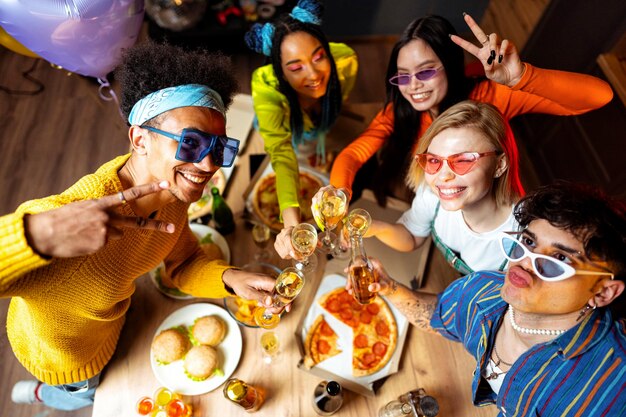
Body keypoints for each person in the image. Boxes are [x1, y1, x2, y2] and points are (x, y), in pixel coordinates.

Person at [2, 41, 282, 411]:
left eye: (220, 148)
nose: (210, 164)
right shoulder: (67, 217)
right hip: (67, 359)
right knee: (82, 397)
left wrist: (232, 278)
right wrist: (40, 235)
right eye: (192, 142)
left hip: (114, 319)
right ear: (140, 139)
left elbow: (183, 263)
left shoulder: (171, 200)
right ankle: (39, 394)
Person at [354, 181, 626, 415]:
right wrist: (389, 288)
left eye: (559, 259)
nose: (525, 263)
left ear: (603, 292)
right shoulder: (482, 290)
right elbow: (439, 314)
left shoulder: (615, 384)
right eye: (529, 242)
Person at [329, 13, 613, 206]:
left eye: (425, 72)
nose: (413, 86)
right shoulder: (401, 109)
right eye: (402, 76)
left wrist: (523, 77)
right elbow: (354, 153)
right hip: (439, 208)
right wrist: (338, 190)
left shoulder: (489, 96)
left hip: (488, 212)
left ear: (450, 67)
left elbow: (599, 96)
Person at [245, 0, 358, 254]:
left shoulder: (346, 61)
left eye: (319, 58)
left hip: (322, 128)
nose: (314, 75)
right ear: (281, 73)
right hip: (283, 129)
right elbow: (282, 153)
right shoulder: (266, 89)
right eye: (296, 68)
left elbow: (341, 97)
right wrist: (291, 226)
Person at [365, 100, 522, 274]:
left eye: (463, 160)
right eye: (434, 160)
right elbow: (412, 235)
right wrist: (373, 227)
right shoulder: (433, 196)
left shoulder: (524, 237)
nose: (443, 176)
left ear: (499, 165)